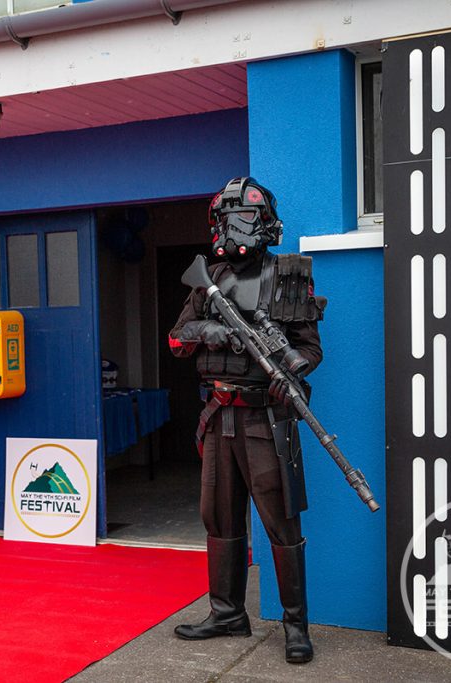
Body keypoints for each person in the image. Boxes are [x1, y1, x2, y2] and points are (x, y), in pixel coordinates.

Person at [168, 178, 325, 664]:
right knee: (219, 515)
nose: (234, 226)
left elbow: (310, 350)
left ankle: (295, 626)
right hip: (218, 418)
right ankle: (227, 613)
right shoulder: (208, 279)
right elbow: (178, 338)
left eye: (243, 215)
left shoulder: (288, 276)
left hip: (267, 419)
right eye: (227, 216)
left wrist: (291, 371)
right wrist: (214, 330)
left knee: (281, 521)